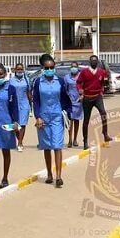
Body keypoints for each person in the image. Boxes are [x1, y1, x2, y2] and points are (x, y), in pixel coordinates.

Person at [33, 54, 72, 188]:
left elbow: (65, 98)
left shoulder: (60, 81)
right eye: (47, 67)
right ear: (43, 68)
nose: (50, 69)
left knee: (57, 145)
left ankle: (58, 176)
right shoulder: (38, 82)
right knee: (46, 146)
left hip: (56, 117)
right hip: (43, 117)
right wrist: (37, 116)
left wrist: (67, 112)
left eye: (52, 67)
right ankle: (49, 173)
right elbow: (36, 100)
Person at [77, 55, 113, 150]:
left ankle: (105, 134)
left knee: (103, 113)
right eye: (92, 61)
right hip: (87, 98)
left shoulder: (101, 72)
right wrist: (80, 90)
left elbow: (104, 83)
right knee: (86, 120)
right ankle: (85, 141)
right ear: (90, 62)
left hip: (97, 97)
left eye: (95, 61)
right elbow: (78, 82)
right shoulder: (84, 72)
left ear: (97, 62)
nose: (94, 62)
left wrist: (102, 91)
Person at [9, 63, 31, 152]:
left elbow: (29, 92)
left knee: (22, 124)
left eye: (21, 69)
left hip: (24, 104)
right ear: (15, 70)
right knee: (16, 125)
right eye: (18, 69)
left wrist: (31, 104)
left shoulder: (26, 80)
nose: (20, 71)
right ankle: (19, 139)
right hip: (14, 104)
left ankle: (20, 142)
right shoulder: (11, 80)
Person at [64, 61, 83, 147]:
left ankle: (75, 139)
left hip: (78, 101)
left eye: (75, 66)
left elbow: (84, 87)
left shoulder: (81, 76)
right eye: (72, 66)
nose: (73, 68)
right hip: (70, 101)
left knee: (76, 121)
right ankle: (70, 140)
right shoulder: (67, 77)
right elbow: (65, 89)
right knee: (70, 121)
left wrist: (82, 96)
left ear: (77, 67)